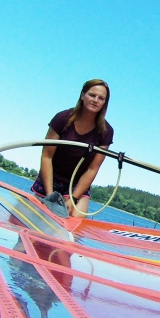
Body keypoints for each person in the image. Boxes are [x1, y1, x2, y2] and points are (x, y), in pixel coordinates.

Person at [33, 79, 113, 217]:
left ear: (104, 103)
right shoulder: (62, 119)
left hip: (76, 184)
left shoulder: (106, 132)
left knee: (75, 219)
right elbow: (47, 156)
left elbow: (92, 169)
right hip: (51, 177)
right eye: (92, 95)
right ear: (82, 95)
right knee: (38, 216)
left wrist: (73, 198)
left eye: (101, 98)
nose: (96, 100)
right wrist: (50, 196)